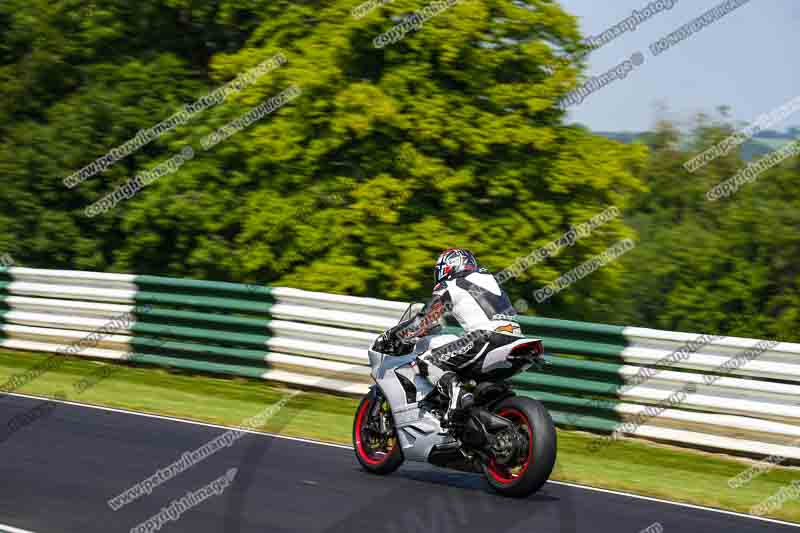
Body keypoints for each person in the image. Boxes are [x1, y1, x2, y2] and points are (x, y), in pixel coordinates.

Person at [376, 248, 522, 425]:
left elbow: (425, 320)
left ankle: (457, 399)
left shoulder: (453, 284)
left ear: (448, 267)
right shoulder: (489, 280)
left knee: (426, 359)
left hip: (486, 338)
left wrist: (396, 336)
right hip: (514, 337)